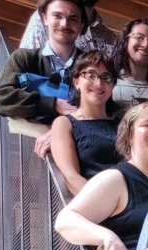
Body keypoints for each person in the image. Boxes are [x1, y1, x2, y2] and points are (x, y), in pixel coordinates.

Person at [54, 100, 148, 250]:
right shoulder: (116, 179)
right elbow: (66, 221)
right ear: (129, 137)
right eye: (147, 125)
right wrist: (107, 237)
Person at [0, 0, 87, 123]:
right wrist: (53, 104)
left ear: (81, 24)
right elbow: (2, 99)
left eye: (73, 19)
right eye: (57, 16)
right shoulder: (23, 58)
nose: (64, 24)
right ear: (44, 18)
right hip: (31, 140)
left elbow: (106, 108)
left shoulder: (92, 65)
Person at [49, 50, 121, 196]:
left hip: (129, 202)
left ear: (112, 86)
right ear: (76, 82)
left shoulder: (122, 126)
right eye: (91, 75)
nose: (99, 83)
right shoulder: (64, 124)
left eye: (106, 77)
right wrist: (108, 205)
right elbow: (72, 178)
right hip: (93, 205)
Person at [19, 0, 116, 53]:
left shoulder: (110, 38)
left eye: (73, 19)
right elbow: (27, 69)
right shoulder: (45, 20)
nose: (64, 23)